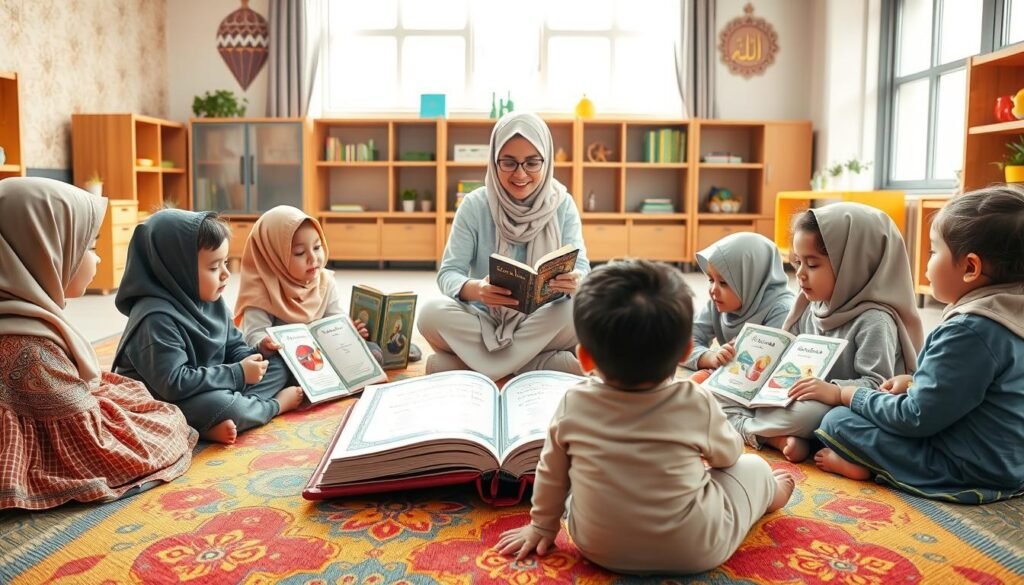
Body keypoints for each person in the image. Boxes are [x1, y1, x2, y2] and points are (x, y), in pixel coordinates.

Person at [495, 259, 794, 574]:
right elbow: (728, 456)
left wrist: (542, 526)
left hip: (597, 545)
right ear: (685, 351)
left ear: (584, 358)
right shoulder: (695, 401)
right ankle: (770, 494)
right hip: (693, 549)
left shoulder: (575, 402)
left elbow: (552, 472)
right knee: (753, 468)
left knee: (577, 485)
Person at [807, 187, 1024, 504]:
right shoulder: (1009, 315)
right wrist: (913, 382)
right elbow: (976, 389)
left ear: (970, 268)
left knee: (837, 420)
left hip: (968, 468)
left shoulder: (969, 330)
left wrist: (848, 394)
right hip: (1012, 462)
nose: (926, 261)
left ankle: (875, 468)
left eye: (934, 251)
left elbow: (914, 418)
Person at [0, 177, 196, 510]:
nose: (98, 260)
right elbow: (95, 443)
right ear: (43, 250)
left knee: (133, 396)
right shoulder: (30, 351)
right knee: (162, 422)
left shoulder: (24, 318)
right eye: (90, 247)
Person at [720, 203, 923, 463]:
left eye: (812, 264)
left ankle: (750, 428)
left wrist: (831, 390)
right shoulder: (809, 305)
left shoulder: (875, 320)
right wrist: (748, 358)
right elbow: (785, 358)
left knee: (813, 415)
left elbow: (877, 387)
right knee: (718, 388)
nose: (800, 274)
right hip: (794, 394)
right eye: (797, 262)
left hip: (833, 405)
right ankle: (773, 436)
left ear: (852, 265)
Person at [417, 111, 590, 380]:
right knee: (430, 315)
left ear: (546, 161)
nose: (520, 173)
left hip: (543, 319)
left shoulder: (562, 204)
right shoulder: (475, 205)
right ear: (494, 161)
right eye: (508, 162)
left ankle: (468, 367)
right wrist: (477, 290)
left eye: (532, 162)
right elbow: (449, 273)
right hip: (485, 319)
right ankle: (537, 364)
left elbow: (582, 269)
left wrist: (575, 280)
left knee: (580, 312)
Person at [112, 209, 304, 445]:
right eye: (214, 268)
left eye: (225, 263)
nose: (226, 274)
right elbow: (174, 383)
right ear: (178, 270)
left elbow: (233, 345)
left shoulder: (211, 300)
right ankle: (271, 406)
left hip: (210, 382)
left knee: (279, 363)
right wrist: (237, 373)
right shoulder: (154, 318)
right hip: (166, 398)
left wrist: (257, 354)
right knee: (220, 406)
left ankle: (212, 421)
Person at [233, 205, 418, 365]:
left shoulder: (324, 280)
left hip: (324, 350)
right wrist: (266, 344)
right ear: (274, 257)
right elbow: (254, 336)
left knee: (372, 351)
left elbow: (335, 318)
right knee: (275, 369)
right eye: (299, 253)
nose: (313, 258)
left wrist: (351, 331)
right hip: (288, 357)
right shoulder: (260, 290)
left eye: (317, 247)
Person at [683, 232, 794, 371]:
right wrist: (710, 357)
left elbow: (763, 366)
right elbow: (682, 343)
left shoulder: (781, 311)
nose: (713, 290)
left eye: (723, 282)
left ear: (751, 280)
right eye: (711, 280)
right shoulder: (717, 303)